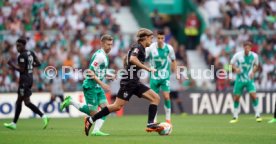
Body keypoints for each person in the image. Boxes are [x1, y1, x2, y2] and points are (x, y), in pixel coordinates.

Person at [83, 28, 163, 136]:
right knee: (116, 106)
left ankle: (150, 123)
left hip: (134, 81)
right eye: (151, 38)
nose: (152, 40)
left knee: (156, 98)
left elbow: (129, 59)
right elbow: (132, 59)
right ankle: (91, 120)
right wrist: (147, 68)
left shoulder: (139, 47)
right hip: (129, 82)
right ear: (144, 38)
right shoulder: (138, 47)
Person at [60, 34, 114, 136]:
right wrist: (102, 83)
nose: (110, 47)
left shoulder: (104, 55)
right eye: (108, 44)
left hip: (97, 87)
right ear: (102, 44)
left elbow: (100, 71)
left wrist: (108, 75)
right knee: (94, 114)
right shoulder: (100, 56)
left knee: (106, 109)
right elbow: (89, 72)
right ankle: (70, 101)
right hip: (90, 86)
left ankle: (96, 131)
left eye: (111, 44)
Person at [4, 38, 49, 130]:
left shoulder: (21, 56)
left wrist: (11, 64)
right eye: (16, 46)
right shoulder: (30, 53)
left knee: (19, 101)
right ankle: (43, 116)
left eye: (19, 46)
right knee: (26, 102)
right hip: (30, 79)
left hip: (24, 81)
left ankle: (14, 123)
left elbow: (21, 70)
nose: (17, 48)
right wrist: (30, 66)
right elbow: (39, 63)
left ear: (24, 45)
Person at [145, 30, 178, 124]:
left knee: (167, 97)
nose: (160, 40)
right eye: (158, 38)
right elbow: (143, 57)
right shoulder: (151, 47)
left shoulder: (169, 48)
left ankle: (168, 119)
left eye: (162, 38)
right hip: (154, 77)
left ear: (164, 38)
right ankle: (153, 120)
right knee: (154, 99)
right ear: (156, 37)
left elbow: (173, 60)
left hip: (165, 76)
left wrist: (176, 72)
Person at [229, 41, 262, 123]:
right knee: (236, 97)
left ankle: (257, 115)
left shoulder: (254, 56)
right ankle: (235, 116)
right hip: (239, 79)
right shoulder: (238, 55)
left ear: (250, 48)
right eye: (245, 47)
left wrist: (253, 72)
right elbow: (230, 64)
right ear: (243, 47)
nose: (246, 49)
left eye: (248, 47)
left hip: (249, 79)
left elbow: (256, 65)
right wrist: (235, 69)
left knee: (253, 95)